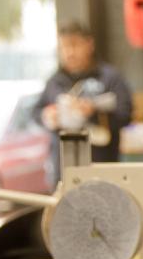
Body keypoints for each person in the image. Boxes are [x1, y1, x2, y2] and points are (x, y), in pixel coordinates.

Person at [34, 19, 133, 179]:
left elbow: (125, 115)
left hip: (101, 167)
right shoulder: (55, 81)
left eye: (74, 45)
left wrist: (93, 112)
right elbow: (36, 112)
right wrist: (46, 116)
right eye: (64, 47)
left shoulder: (109, 77)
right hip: (63, 169)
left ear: (89, 44)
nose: (69, 52)